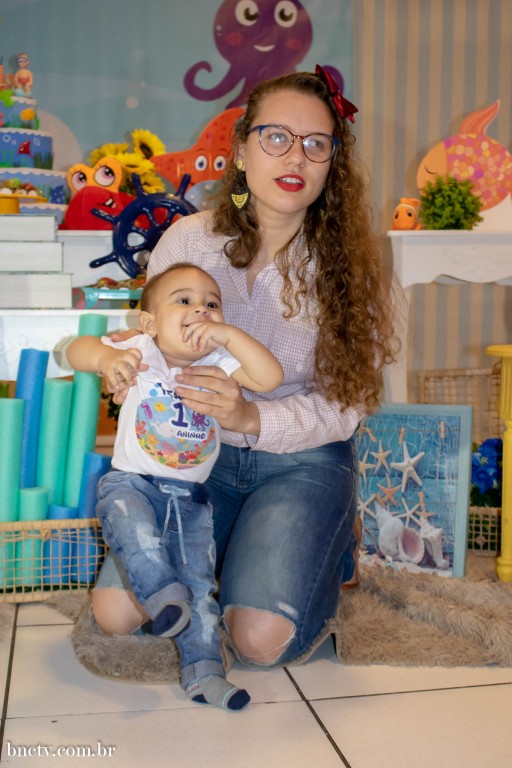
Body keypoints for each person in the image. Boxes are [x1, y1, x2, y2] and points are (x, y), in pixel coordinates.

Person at [94, 66, 397, 671]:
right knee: (118, 613)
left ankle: (332, 543)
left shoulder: (352, 262)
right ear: (240, 150)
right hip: (194, 460)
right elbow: (153, 342)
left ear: (331, 163)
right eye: (276, 137)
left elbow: (347, 405)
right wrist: (124, 368)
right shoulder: (188, 240)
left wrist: (252, 417)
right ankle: (244, 551)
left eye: (317, 143)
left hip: (302, 462)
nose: (296, 156)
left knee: (258, 642)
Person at [67, 263, 283, 710]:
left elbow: (269, 378)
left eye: (211, 304)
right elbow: (75, 350)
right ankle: (161, 595)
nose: (200, 310)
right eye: (184, 300)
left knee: (199, 588)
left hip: (192, 502)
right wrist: (107, 360)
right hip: (134, 483)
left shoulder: (219, 363)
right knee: (133, 530)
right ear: (149, 323)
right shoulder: (140, 349)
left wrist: (228, 336)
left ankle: (205, 673)